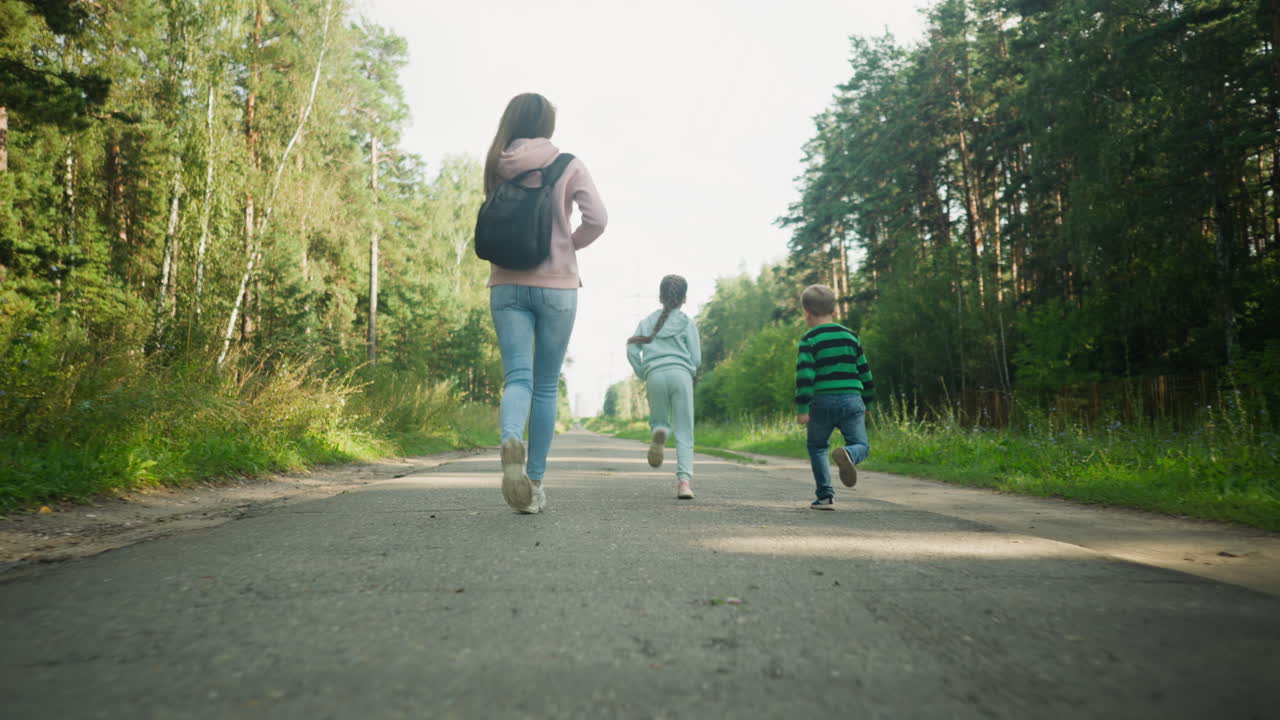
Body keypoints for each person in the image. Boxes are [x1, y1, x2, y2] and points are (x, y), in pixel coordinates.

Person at [484, 92, 608, 514]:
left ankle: (509, 440)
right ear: (548, 125)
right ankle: (533, 481)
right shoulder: (568, 163)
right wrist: (567, 248)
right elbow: (598, 220)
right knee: (545, 384)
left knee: (517, 377)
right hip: (557, 286)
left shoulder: (495, 162)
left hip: (506, 284)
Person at [794, 284, 875, 510]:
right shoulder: (851, 337)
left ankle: (825, 496)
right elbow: (865, 372)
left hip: (821, 402)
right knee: (861, 444)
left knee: (818, 447)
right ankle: (849, 453)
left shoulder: (809, 339)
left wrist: (802, 408)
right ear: (835, 312)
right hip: (852, 399)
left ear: (807, 313)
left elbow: (804, 376)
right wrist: (868, 401)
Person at [627, 275, 701, 499]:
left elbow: (632, 349)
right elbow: (696, 358)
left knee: (660, 421)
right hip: (680, 375)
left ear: (660, 296)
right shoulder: (687, 323)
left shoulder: (647, 322)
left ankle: (660, 431)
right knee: (685, 431)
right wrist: (689, 370)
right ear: (684, 298)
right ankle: (684, 482)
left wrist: (644, 372)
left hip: (655, 375)